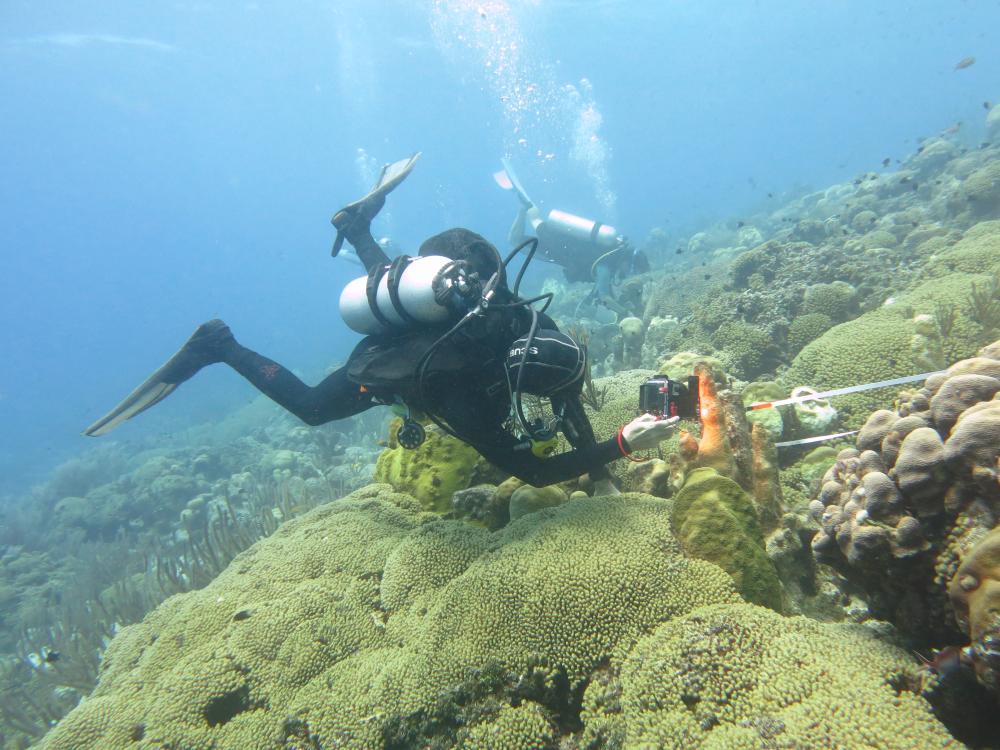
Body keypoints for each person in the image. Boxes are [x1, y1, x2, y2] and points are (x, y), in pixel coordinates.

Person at [84, 155, 677, 490]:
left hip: (403, 325)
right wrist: (620, 445)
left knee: (412, 292)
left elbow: (563, 385)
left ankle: (357, 231)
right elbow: (535, 472)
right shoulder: (475, 390)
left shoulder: (513, 315)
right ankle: (221, 346)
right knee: (313, 408)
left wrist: (604, 461)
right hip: (399, 365)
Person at [493, 158, 649, 315]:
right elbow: (605, 297)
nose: (629, 274)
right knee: (518, 236)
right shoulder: (606, 266)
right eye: (631, 270)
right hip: (556, 245)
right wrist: (626, 313)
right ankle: (524, 205)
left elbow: (599, 287)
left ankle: (525, 206)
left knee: (532, 223)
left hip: (560, 243)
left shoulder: (610, 252)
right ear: (628, 262)